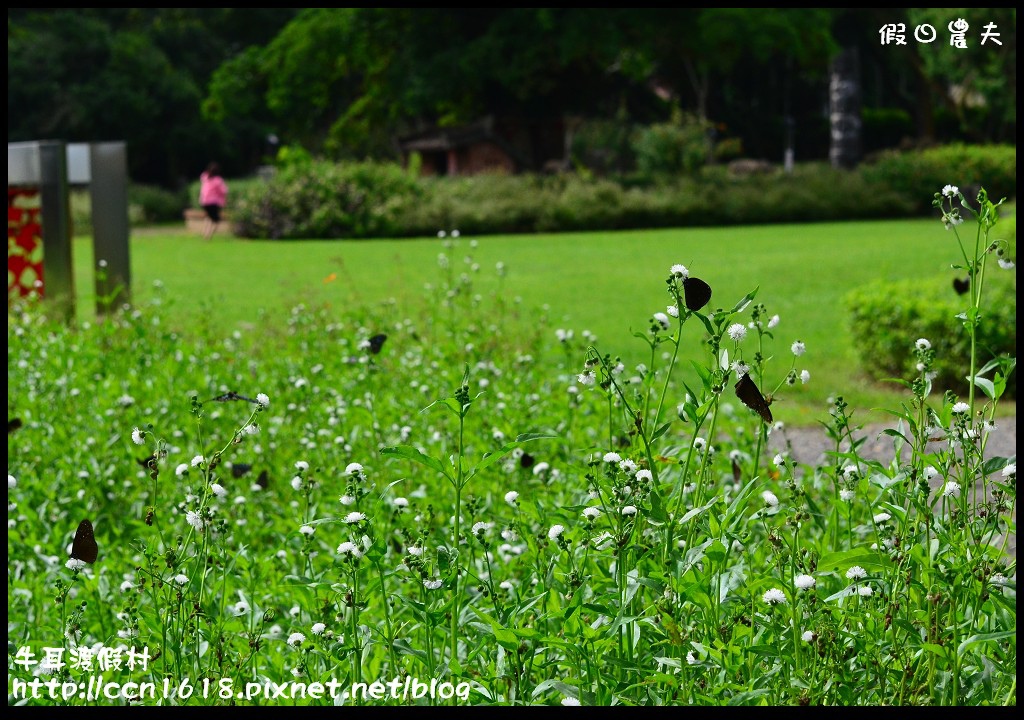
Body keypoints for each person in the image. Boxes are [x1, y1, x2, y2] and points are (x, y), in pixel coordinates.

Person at [198, 162, 228, 240]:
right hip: (213, 202)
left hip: (204, 201)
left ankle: (205, 232)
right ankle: (208, 235)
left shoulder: (205, 177)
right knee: (216, 220)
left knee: (208, 216)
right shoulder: (218, 181)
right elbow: (224, 191)